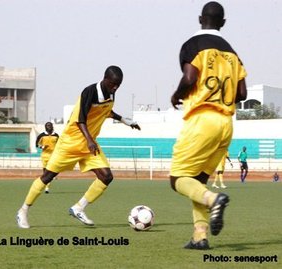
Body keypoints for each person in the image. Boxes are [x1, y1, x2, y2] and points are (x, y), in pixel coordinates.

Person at [17, 66, 141, 229]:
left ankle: (78, 208)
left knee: (106, 176)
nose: (115, 87)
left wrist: (125, 120)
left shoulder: (111, 93)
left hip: (89, 144)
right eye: (113, 84)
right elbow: (80, 119)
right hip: (70, 143)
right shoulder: (89, 92)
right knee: (47, 176)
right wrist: (89, 140)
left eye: (118, 85)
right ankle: (23, 211)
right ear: (104, 79)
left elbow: (106, 111)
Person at [169, 1, 247, 250]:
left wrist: (176, 94)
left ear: (200, 18)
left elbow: (190, 77)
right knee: (197, 182)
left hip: (202, 120)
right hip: (226, 124)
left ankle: (215, 199)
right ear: (223, 23)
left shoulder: (192, 44)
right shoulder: (232, 53)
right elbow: (242, 93)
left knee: (178, 179)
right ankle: (200, 237)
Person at [35, 122, 59, 193]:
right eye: (47, 126)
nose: (49, 127)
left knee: (51, 170)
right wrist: (42, 146)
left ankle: (47, 187)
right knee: (45, 172)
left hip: (54, 155)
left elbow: (60, 144)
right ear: (45, 127)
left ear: (52, 126)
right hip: (45, 155)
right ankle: (45, 185)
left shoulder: (56, 135)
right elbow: (37, 144)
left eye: (50, 125)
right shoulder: (41, 135)